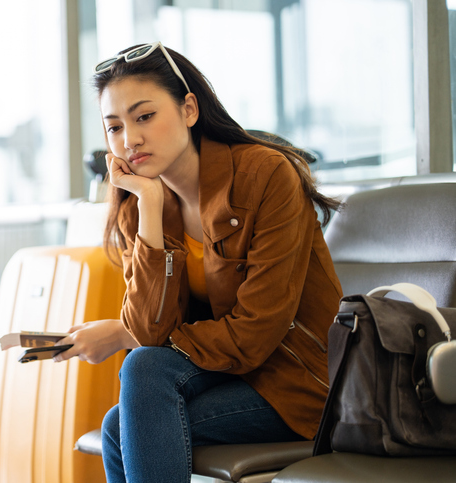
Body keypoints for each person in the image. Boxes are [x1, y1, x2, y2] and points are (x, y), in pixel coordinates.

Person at [53, 41, 343, 483]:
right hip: (232, 375)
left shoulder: (265, 174)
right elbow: (150, 331)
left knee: (134, 393)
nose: (129, 140)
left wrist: (124, 334)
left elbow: (256, 330)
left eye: (144, 116)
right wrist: (150, 206)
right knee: (123, 413)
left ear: (189, 109)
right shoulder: (139, 200)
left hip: (299, 382)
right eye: (114, 127)